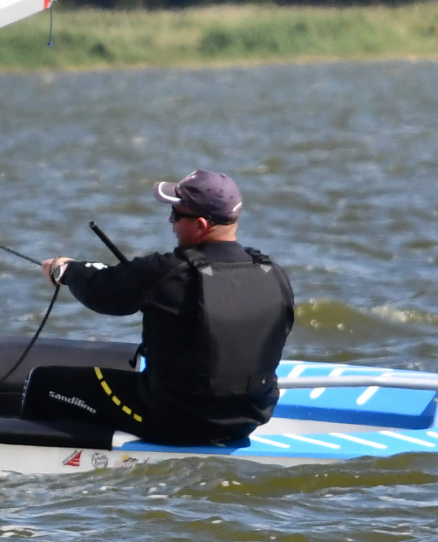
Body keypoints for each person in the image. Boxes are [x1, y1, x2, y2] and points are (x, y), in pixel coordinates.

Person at [30, 170, 296, 445]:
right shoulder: (274, 275)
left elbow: (101, 290)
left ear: (200, 226)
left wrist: (64, 269)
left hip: (173, 421)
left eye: (176, 214)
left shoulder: (168, 272)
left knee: (44, 383)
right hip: (248, 419)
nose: (171, 221)